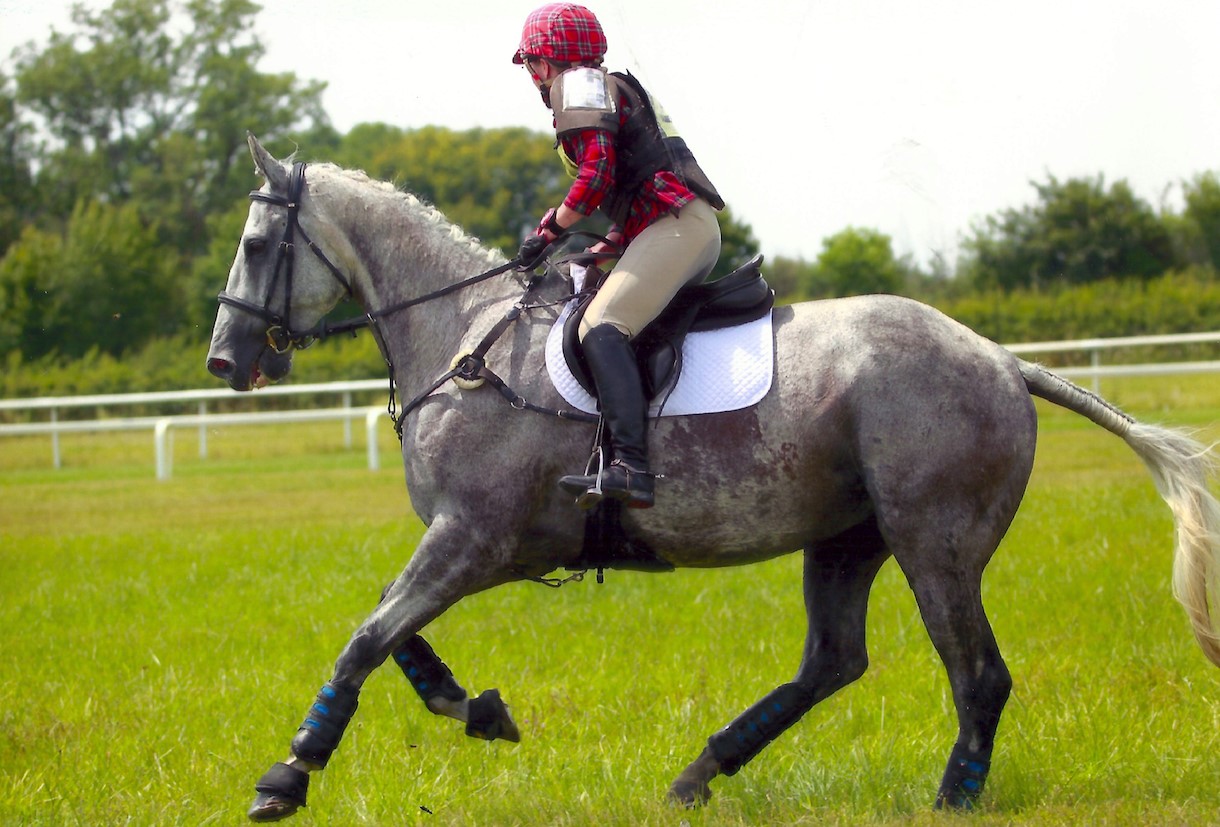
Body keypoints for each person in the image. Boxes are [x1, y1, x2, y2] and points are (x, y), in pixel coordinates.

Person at [513, 2, 725, 510]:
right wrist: (606, 244)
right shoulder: (603, 83)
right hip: (672, 227)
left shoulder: (577, 84)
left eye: (532, 64)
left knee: (601, 326)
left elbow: (597, 175)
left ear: (547, 61)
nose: (532, 77)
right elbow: (634, 186)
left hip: (678, 230)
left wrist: (550, 230)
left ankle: (631, 467)